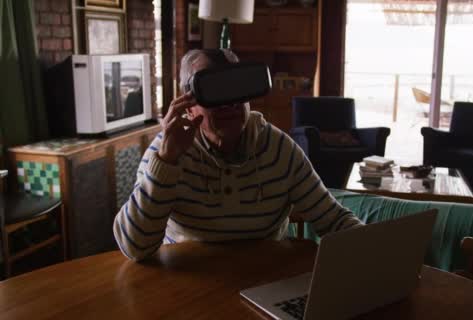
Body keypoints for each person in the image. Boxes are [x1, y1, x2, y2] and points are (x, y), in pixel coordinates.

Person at [113, 49, 363, 261]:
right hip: (187, 284)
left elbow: (333, 220)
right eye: (214, 90)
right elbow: (135, 248)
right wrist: (166, 161)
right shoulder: (167, 150)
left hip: (263, 282)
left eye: (236, 88)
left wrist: (375, 252)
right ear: (188, 105)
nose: (229, 103)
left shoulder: (278, 149)